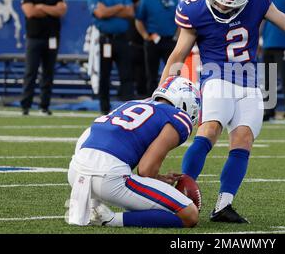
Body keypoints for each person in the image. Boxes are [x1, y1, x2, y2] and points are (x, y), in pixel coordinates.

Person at [160, 0, 285, 223]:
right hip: (216, 75)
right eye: (221, 1)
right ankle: (180, 196)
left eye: (230, 4)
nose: (224, 7)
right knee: (210, 129)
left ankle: (224, 204)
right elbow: (179, 53)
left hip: (249, 78)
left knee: (244, 139)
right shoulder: (196, 9)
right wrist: (162, 90)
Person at [67, 76, 201, 228]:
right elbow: (145, 170)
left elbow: (89, 134)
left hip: (75, 173)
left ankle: (91, 202)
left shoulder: (131, 104)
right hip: (108, 177)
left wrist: (159, 179)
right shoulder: (178, 117)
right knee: (189, 214)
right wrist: (157, 181)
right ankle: (109, 219)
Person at [20, 0, 67, 116]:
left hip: (52, 38)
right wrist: (50, 10)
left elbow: (61, 11)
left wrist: (41, 7)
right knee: (30, 72)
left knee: (48, 73)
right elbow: (30, 12)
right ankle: (25, 106)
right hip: (34, 38)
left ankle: (44, 106)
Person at [88, 0, 135, 115]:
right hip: (105, 40)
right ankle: (104, 108)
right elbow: (100, 13)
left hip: (122, 39)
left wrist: (109, 10)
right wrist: (119, 7)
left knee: (127, 73)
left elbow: (130, 12)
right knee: (105, 75)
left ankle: (127, 107)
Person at [135, 0, 178, 97]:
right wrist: (145, 36)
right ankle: (151, 102)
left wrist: (177, 36)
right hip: (153, 40)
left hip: (170, 40)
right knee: (151, 74)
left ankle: (172, 100)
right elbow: (138, 20)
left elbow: (181, 19)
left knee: (173, 74)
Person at [127, 0, 148, 97]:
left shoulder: (146, 12)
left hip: (143, 46)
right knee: (130, 73)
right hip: (132, 46)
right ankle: (129, 94)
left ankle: (143, 93)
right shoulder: (131, 13)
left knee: (144, 73)